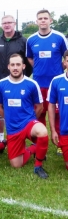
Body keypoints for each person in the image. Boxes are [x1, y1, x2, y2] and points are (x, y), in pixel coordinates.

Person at [0, 54, 49, 179]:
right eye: (13, 65)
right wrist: (9, 119)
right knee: (16, 165)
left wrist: (31, 120)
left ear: (23, 66)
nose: (15, 67)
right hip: (13, 128)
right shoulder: (0, 84)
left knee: (42, 131)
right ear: (8, 67)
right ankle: (32, 149)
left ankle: (38, 166)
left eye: (18, 64)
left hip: (28, 123)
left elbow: (40, 106)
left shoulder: (32, 84)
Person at [26, 9, 68, 155]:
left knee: (59, 113)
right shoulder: (31, 39)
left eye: (45, 18)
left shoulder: (59, 37)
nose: (43, 21)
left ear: (50, 20)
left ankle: (61, 142)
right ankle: (39, 142)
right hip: (38, 84)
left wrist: (60, 68)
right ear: (36, 21)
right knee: (39, 112)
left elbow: (66, 57)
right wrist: (38, 69)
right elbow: (30, 58)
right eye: (40, 18)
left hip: (56, 84)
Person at [0, 15, 33, 142]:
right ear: (1, 25)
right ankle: (0, 138)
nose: (7, 25)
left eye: (9, 22)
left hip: (18, 83)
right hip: (0, 81)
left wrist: (23, 76)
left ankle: (24, 136)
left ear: (15, 24)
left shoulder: (23, 41)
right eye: (4, 23)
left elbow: (28, 62)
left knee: (20, 109)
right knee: (0, 110)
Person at [47, 50, 68, 170]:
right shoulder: (56, 81)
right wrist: (53, 131)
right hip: (65, 131)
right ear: (64, 63)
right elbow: (51, 105)